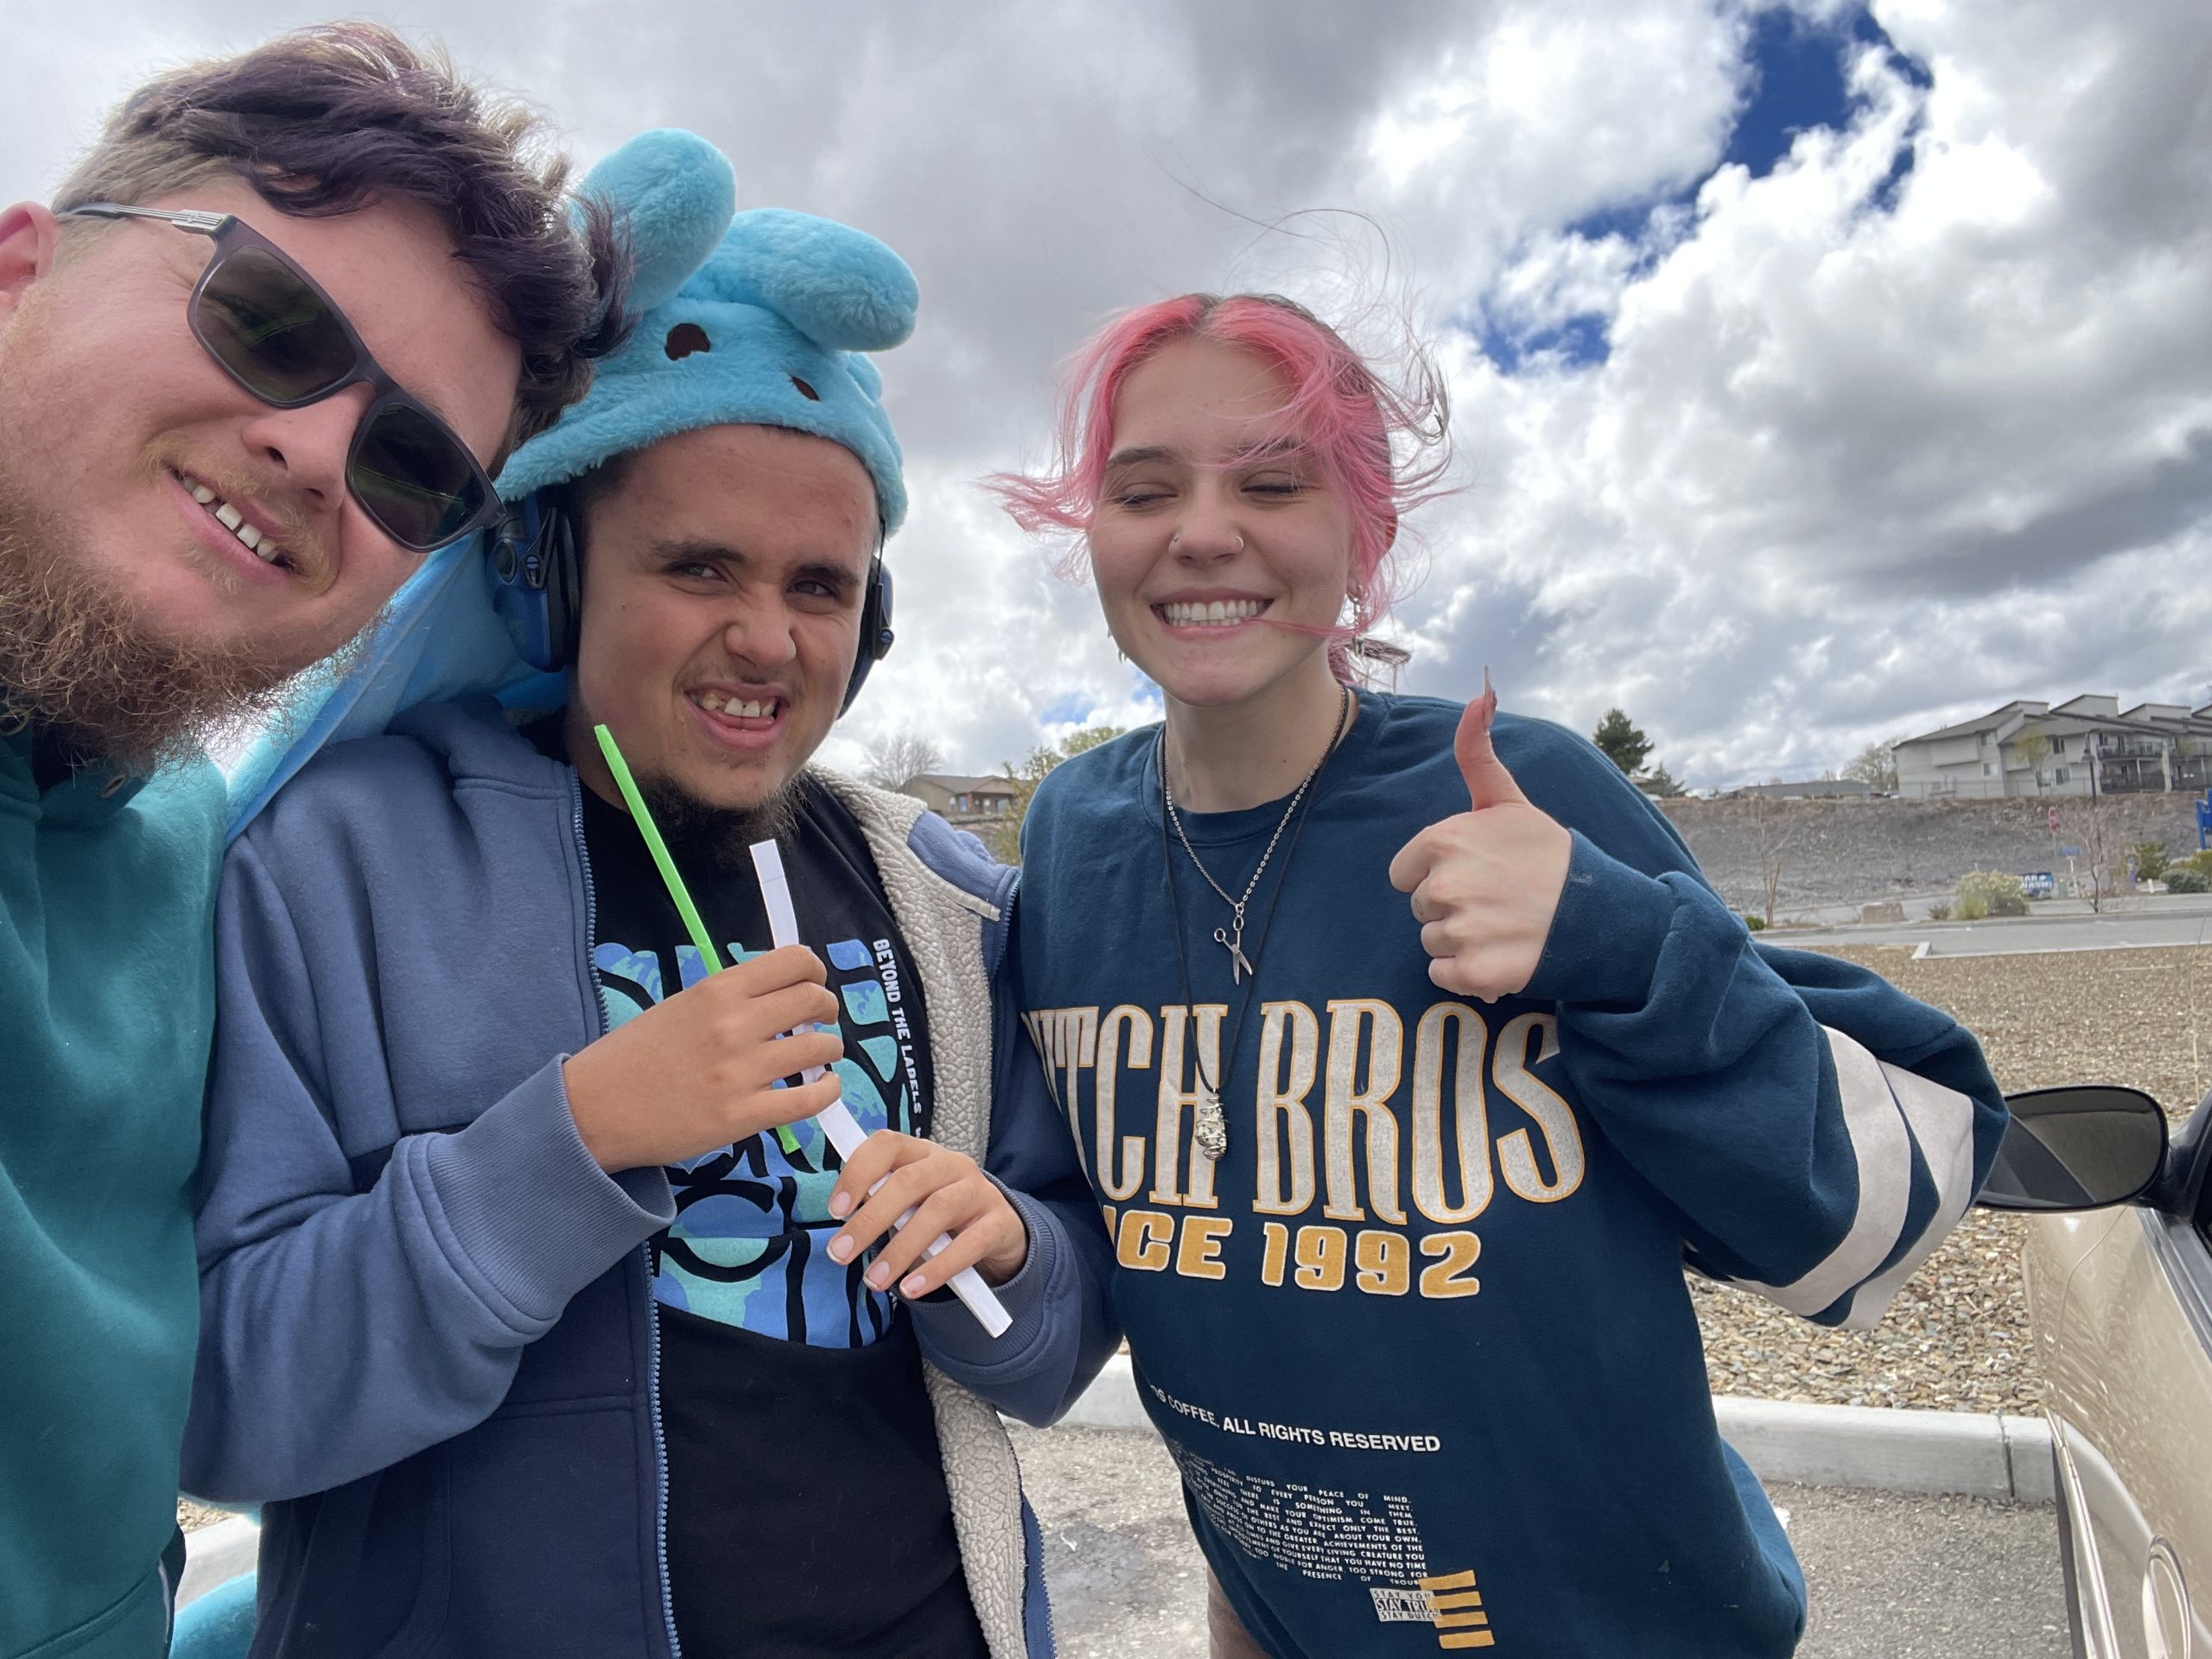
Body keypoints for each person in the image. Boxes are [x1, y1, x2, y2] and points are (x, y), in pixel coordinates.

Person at [184, 130, 1115, 1659]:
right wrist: (574, 1139)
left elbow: (1054, 1348)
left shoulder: (946, 898)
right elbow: (225, 1402)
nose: (768, 639)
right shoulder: (333, 866)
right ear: (553, 570)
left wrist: (1006, 1242)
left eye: (819, 587)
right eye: (699, 568)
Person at [995, 292, 2010, 1659]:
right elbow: (1157, 1257)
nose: (1204, 530)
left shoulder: (1525, 796)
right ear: (1095, 533)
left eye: (1274, 483)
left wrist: (1617, 942)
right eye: (1144, 489)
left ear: (1365, 534)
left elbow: (1891, 1197)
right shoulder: (1069, 834)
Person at [0, 26, 623, 1659]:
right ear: (18, 272)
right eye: (266, 319)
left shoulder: (182, 834)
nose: (317, 455)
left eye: (413, 466)